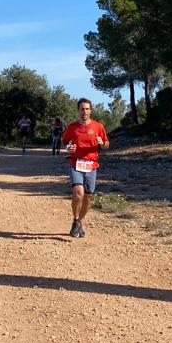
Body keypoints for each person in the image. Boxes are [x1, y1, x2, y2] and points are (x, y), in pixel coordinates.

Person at [61, 98, 109, 238]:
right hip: (76, 163)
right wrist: (68, 147)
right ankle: (76, 220)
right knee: (78, 193)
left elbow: (107, 143)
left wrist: (102, 143)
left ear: (90, 110)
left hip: (91, 165)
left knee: (87, 198)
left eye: (87, 109)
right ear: (78, 110)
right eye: (82, 109)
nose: (85, 111)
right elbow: (65, 141)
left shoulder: (98, 127)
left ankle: (79, 222)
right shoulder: (72, 127)